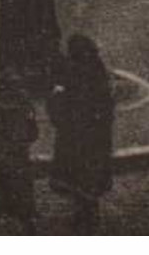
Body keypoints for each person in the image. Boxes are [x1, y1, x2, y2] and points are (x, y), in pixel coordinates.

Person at [48, 34, 115, 233]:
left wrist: (58, 117)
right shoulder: (98, 70)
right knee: (91, 174)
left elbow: (57, 101)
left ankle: (82, 213)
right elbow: (107, 104)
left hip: (74, 134)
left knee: (76, 173)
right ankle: (90, 212)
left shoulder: (69, 71)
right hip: (96, 135)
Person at [0, 68, 39, 233]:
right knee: (21, 185)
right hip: (19, 152)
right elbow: (32, 128)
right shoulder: (25, 103)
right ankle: (27, 221)